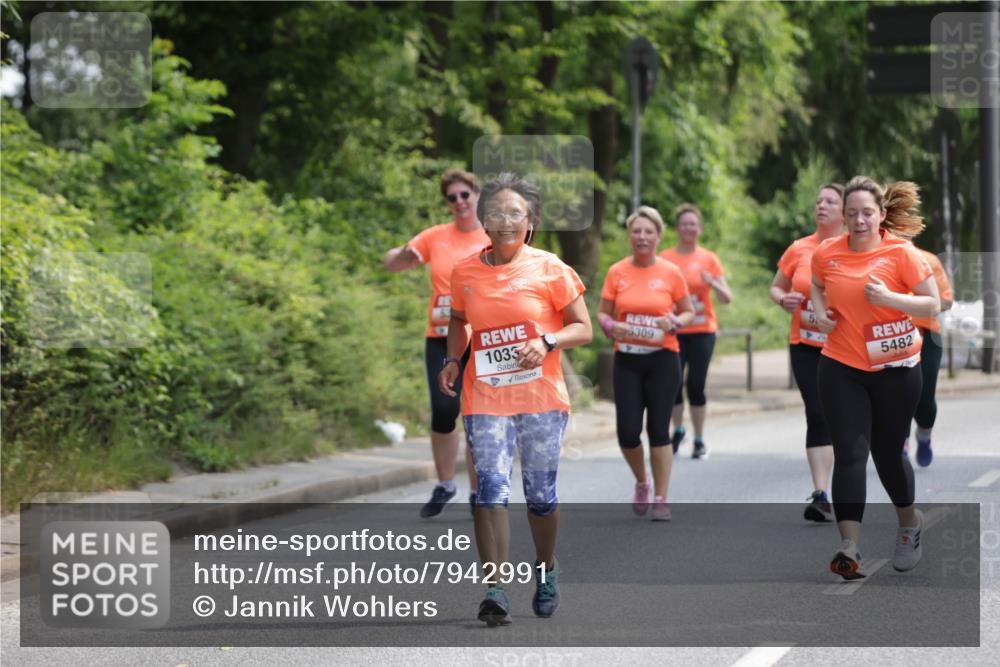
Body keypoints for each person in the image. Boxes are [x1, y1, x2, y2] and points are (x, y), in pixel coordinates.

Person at [439, 173, 591, 626]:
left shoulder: (551, 268)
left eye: (515, 213)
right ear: (483, 219)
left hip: (540, 397)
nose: (505, 221)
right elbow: (459, 320)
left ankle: (546, 568)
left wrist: (546, 341)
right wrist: (452, 359)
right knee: (490, 487)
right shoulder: (464, 271)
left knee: (540, 496)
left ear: (531, 221)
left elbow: (583, 327)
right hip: (484, 395)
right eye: (496, 213)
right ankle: (495, 588)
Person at [810, 176, 940, 579]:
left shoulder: (902, 253)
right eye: (852, 214)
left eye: (867, 213)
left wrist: (890, 299)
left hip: (896, 369)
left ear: (881, 215)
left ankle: (908, 523)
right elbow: (816, 285)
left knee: (886, 453)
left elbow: (932, 302)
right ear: (843, 216)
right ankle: (849, 546)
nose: (859, 220)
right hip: (842, 365)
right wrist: (818, 311)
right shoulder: (827, 252)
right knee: (850, 451)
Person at [383, 169, 489, 518]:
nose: (459, 202)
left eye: (465, 195)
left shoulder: (492, 235)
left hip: (482, 338)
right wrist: (402, 255)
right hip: (441, 338)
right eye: (452, 197)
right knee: (445, 410)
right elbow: (391, 264)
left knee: (476, 416)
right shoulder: (435, 237)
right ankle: (446, 484)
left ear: (477, 195)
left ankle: (479, 491)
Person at [598, 206, 694, 521]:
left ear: (657, 235)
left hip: (663, 359)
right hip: (627, 359)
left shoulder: (670, 272)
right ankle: (642, 481)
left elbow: (688, 311)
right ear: (630, 235)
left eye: (648, 231)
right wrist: (611, 327)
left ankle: (662, 498)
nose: (642, 237)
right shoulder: (617, 272)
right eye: (636, 231)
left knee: (658, 428)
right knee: (627, 432)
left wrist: (674, 321)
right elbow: (602, 313)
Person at [770, 183, 844, 522]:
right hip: (804, 344)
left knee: (840, 416)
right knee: (816, 411)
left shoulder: (853, 249)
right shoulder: (799, 248)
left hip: (845, 347)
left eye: (831, 201)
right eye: (819, 201)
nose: (822, 206)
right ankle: (821, 493)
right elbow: (777, 285)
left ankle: (846, 480)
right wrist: (780, 299)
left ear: (845, 211)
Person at [660, 204, 732, 459]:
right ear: (677, 228)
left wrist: (712, 282)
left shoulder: (708, 259)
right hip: (676, 331)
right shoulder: (666, 258)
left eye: (693, 224)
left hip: (703, 330)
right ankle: (678, 430)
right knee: (673, 383)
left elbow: (727, 298)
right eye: (684, 224)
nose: (689, 228)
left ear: (699, 229)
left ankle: (699, 439)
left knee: (696, 385)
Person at [906, 244, 953, 467]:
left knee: (925, 395)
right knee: (895, 392)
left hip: (927, 333)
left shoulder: (927, 260)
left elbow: (946, 300)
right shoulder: (875, 259)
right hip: (888, 335)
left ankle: (924, 434)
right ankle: (900, 444)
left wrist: (917, 302)